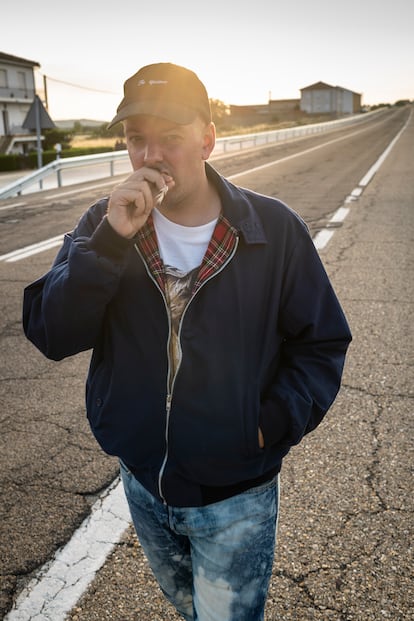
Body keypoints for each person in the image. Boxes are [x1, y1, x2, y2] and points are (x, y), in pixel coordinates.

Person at [23, 62, 352, 621]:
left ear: (207, 139)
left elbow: (321, 343)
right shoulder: (103, 227)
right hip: (144, 481)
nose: (151, 156)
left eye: (170, 139)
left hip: (237, 490)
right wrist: (108, 244)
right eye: (135, 140)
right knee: (189, 608)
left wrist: (267, 424)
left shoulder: (273, 230)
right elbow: (53, 333)